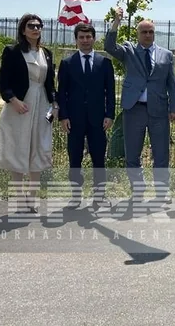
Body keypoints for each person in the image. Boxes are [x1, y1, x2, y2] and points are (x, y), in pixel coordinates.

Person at [104, 7, 175, 202]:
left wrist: (174, 107)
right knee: (132, 153)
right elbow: (109, 47)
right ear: (138, 34)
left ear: (154, 33)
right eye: (144, 31)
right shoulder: (129, 51)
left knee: (161, 153)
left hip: (159, 110)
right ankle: (137, 190)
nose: (147, 35)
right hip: (134, 109)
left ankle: (162, 192)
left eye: (150, 31)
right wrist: (116, 22)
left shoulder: (166, 55)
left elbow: (171, 82)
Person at [0, 14, 57, 213]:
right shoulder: (12, 51)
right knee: (18, 148)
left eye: (38, 25)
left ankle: (32, 195)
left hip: (42, 105)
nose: (35, 29)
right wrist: (13, 100)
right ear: (23, 29)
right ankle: (20, 198)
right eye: (31, 26)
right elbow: (3, 82)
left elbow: (50, 83)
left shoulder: (46, 53)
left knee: (39, 147)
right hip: (19, 106)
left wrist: (55, 104)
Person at [57, 22, 116, 209]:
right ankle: (76, 195)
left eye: (88, 37)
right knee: (75, 158)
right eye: (81, 37)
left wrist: (110, 115)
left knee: (99, 158)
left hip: (98, 119)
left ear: (94, 39)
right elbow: (62, 93)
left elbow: (110, 92)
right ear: (76, 40)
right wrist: (63, 116)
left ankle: (100, 195)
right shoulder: (67, 63)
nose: (85, 40)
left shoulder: (104, 63)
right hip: (74, 120)